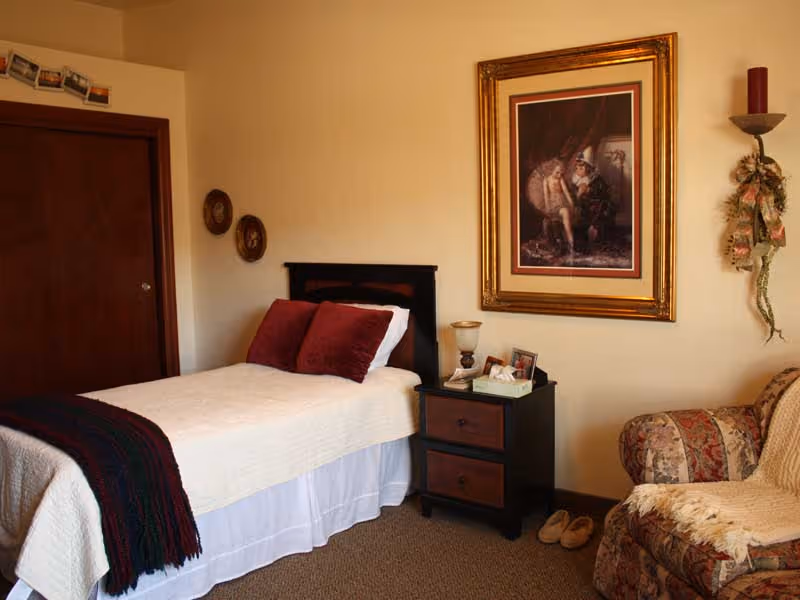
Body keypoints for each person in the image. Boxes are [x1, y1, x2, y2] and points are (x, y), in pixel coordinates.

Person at [571, 147, 615, 247]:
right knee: (578, 220)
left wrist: (589, 190)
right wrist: (578, 194)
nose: (579, 170)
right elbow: (573, 195)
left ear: (589, 168)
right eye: (577, 167)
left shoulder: (596, 179)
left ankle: (595, 232)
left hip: (595, 205)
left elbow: (604, 192)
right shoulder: (575, 180)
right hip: (582, 207)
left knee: (600, 211)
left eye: (582, 167)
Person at [541, 160, 575, 254]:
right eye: (557, 172)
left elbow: (566, 192)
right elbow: (546, 196)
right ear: (551, 170)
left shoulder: (560, 180)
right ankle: (555, 245)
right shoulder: (546, 181)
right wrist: (548, 209)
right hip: (552, 205)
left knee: (566, 221)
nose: (559, 175)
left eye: (561, 173)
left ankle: (572, 246)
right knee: (548, 223)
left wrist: (571, 204)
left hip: (561, 204)